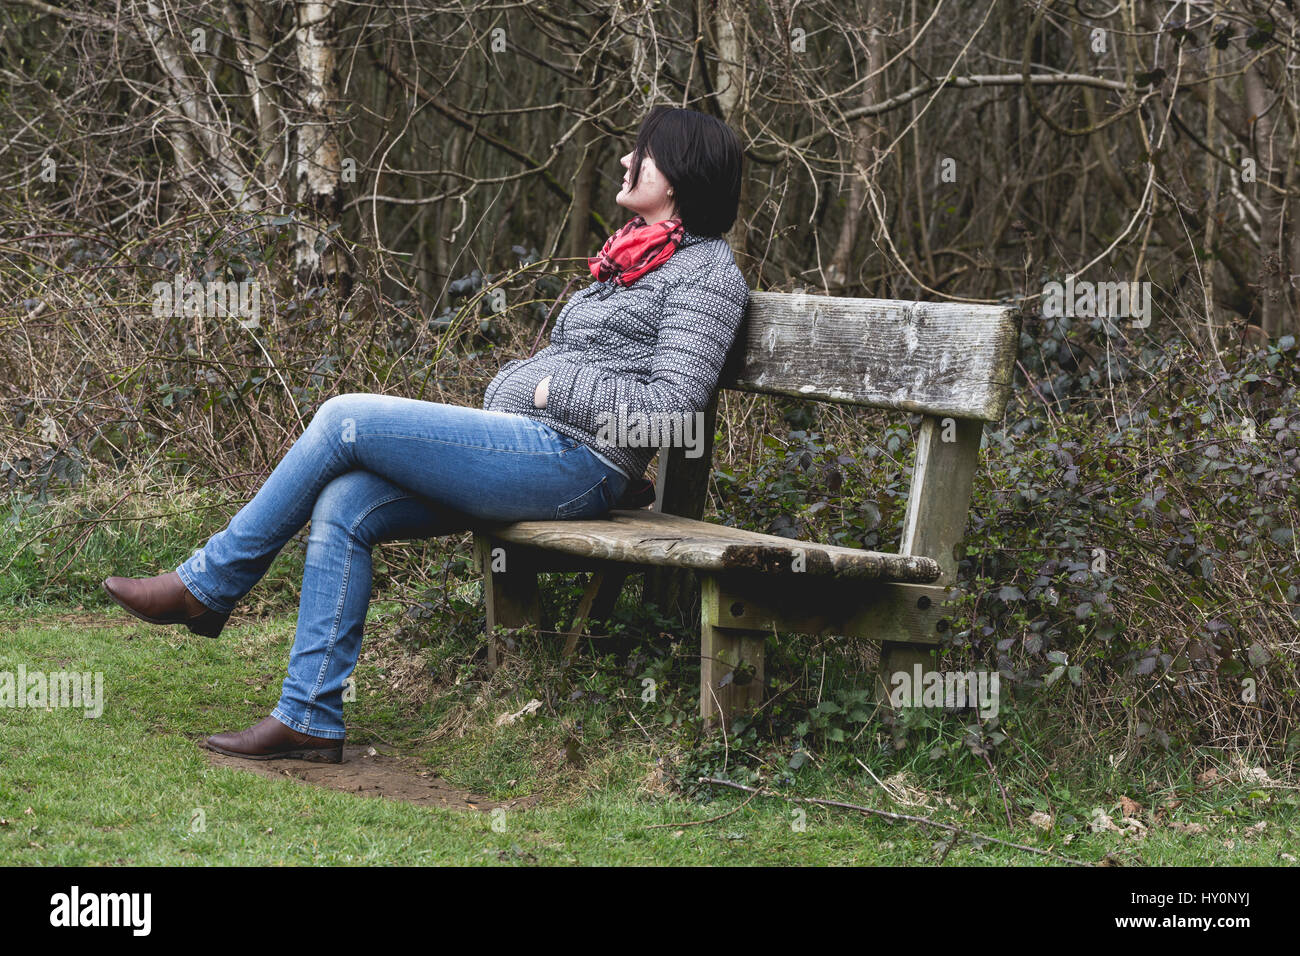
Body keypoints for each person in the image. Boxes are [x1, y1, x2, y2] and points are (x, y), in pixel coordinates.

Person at [102, 105, 749, 762]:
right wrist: (529, 388)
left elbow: (674, 410)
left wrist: (553, 390)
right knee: (347, 500)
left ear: (677, 174)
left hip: (577, 463)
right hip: (532, 446)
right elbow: (542, 378)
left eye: (640, 151)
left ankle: (206, 587)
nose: (623, 160)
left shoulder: (706, 273)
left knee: (344, 417)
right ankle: (309, 716)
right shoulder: (631, 258)